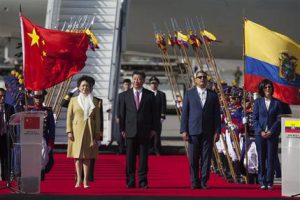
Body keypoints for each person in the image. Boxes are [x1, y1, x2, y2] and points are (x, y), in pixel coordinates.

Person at [180, 70, 221, 189]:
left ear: (207, 79)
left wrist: (217, 131)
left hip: (208, 132)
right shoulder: (189, 94)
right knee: (193, 158)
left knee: (206, 158)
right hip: (193, 131)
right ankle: (194, 181)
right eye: (199, 77)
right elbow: (185, 114)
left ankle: (204, 181)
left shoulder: (213, 95)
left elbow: (216, 115)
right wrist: (184, 130)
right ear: (195, 80)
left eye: (204, 77)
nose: (202, 79)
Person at [118, 71, 157, 189]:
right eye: (134, 79)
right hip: (129, 131)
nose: (136, 81)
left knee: (143, 159)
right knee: (130, 158)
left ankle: (143, 181)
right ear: (132, 80)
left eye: (139, 79)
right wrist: (122, 130)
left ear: (143, 81)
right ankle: (130, 180)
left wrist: (154, 129)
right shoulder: (124, 95)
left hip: (145, 132)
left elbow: (154, 114)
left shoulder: (150, 95)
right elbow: (121, 114)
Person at [66, 75, 103, 188]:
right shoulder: (73, 100)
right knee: (77, 157)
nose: (85, 87)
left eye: (87, 85)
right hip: (76, 131)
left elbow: (98, 119)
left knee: (87, 157)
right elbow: (69, 117)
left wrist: (98, 134)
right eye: (82, 85)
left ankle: (86, 180)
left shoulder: (96, 101)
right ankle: (78, 180)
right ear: (79, 87)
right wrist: (69, 131)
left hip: (90, 131)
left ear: (90, 87)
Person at [253, 79, 283, 190]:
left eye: (269, 87)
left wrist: (271, 131)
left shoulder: (277, 103)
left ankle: (270, 181)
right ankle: (262, 181)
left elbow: (279, 119)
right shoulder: (257, 103)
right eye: (265, 87)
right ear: (262, 89)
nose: (267, 89)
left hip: (272, 134)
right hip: (260, 134)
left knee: (271, 158)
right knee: (261, 157)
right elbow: (255, 119)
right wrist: (260, 131)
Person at [148, 76, 166, 155]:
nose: (153, 85)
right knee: (148, 134)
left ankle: (157, 149)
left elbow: (163, 105)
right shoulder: (146, 93)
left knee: (157, 134)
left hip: (158, 117)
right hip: (148, 118)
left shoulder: (161, 94)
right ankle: (149, 149)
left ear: (158, 84)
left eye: (155, 83)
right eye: (152, 83)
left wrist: (162, 116)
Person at [0, 88, 15, 181]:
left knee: (6, 159)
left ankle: (6, 180)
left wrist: (13, 139)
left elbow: (14, 124)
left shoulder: (10, 107)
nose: (2, 98)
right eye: (0, 96)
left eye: (3, 96)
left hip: (6, 137)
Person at [115, 79, 132, 154]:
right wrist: (117, 116)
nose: (127, 86)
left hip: (130, 118)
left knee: (129, 134)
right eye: (125, 84)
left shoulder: (132, 94)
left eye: (128, 84)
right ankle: (121, 149)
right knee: (121, 134)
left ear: (130, 85)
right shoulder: (120, 95)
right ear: (123, 86)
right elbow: (118, 106)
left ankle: (129, 149)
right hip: (122, 117)